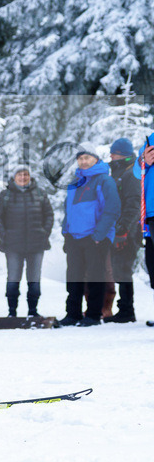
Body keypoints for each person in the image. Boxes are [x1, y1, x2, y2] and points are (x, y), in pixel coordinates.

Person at [60, 150, 120, 326]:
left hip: (95, 237)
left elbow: (112, 209)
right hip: (74, 237)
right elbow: (68, 211)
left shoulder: (105, 180)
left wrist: (99, 235)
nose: (83, 161)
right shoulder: (75, 183)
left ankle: (93, 315)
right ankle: (73, 314)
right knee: (74, 277)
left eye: (87, 158)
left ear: (96, 159)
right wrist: (66, 234)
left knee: (95, 277)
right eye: (80, 158)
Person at [0, 166, 54, 317]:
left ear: (30, 177)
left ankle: (33, 311)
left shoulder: (40, 194)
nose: (23, 177)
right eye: (19, 175)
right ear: (14, 177)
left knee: (34, 279)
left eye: (25, 174)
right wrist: (4, 235)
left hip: (36, 244)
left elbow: (49, 215)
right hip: (13, 245)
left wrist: (44, 233)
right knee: (13, 279)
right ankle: (12, 312)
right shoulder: (5, 195)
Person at [106, 139, 142, 322]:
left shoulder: (130, 173)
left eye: (114, 153)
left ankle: (127, 311)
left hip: (128, 230)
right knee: (119, 268)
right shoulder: (119, 172)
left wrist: (123, 230)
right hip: (119, 228)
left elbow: (133, 204)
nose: (111, 156)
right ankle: (125, 309)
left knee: (123, 269)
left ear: (121, 154)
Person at [134, 135, 153, 322]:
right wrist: (144, 161)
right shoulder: (150, 140)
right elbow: (135, 171)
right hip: (151, 211)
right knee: (152, 263)